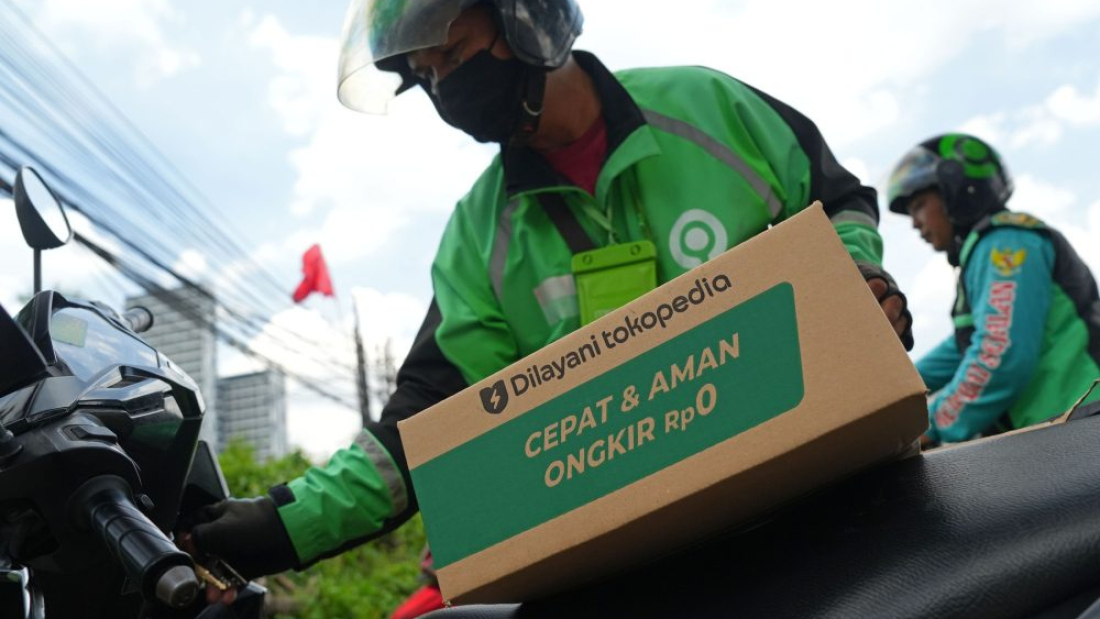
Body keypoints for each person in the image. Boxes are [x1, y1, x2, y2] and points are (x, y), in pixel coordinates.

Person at [187, 0, 914, 594]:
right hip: (646, 557)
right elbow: (425, 422)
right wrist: (283, 524)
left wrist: (859, 284)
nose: (444, 87)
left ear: (525, 16)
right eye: (426, 74)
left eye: (453, 51)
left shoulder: (705, 106)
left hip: (829, 504)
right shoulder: (479, 236)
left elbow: (838, 198)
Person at [886, 133, 1100, 446]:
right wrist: (892, 386)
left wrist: (932, 427)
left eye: (919, 205)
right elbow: (962, 348)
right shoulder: (983, 251)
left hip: (1082, 426)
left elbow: (1000, 351)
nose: (915, 224)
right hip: (1061, 432)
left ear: (958, 190)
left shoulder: (1005, 243)